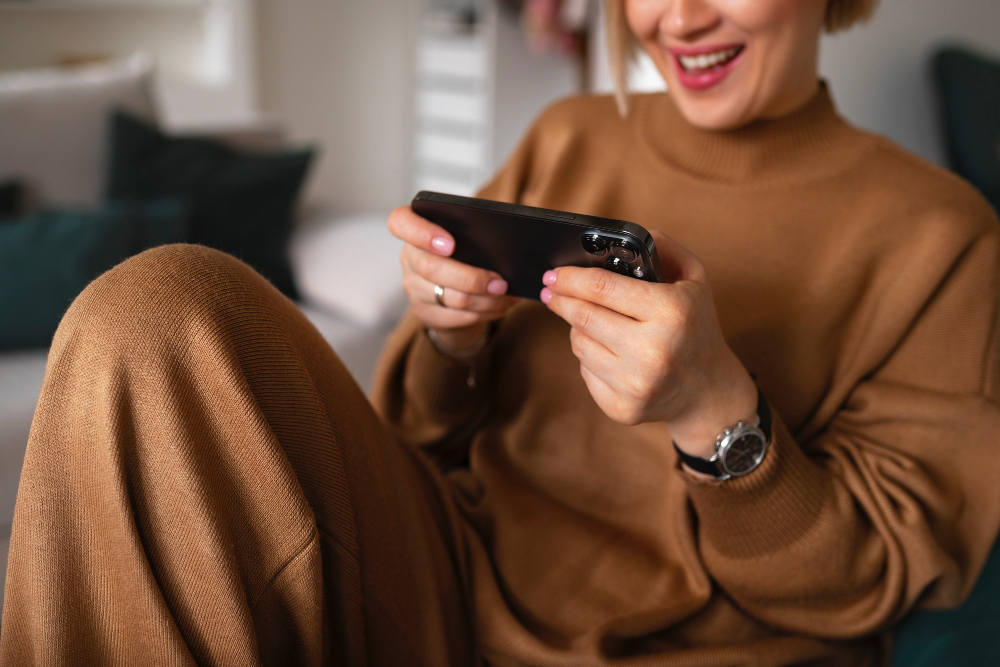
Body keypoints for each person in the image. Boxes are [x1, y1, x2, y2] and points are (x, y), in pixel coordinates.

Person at [3, 0, 999, 664]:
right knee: (153, 307)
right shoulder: (570, 134)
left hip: (696, 648)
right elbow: (421, 436)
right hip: (448, 580)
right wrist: (448, 334)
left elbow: (872, 582)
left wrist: (713, 410)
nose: (679, 18)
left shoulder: (938, 233)